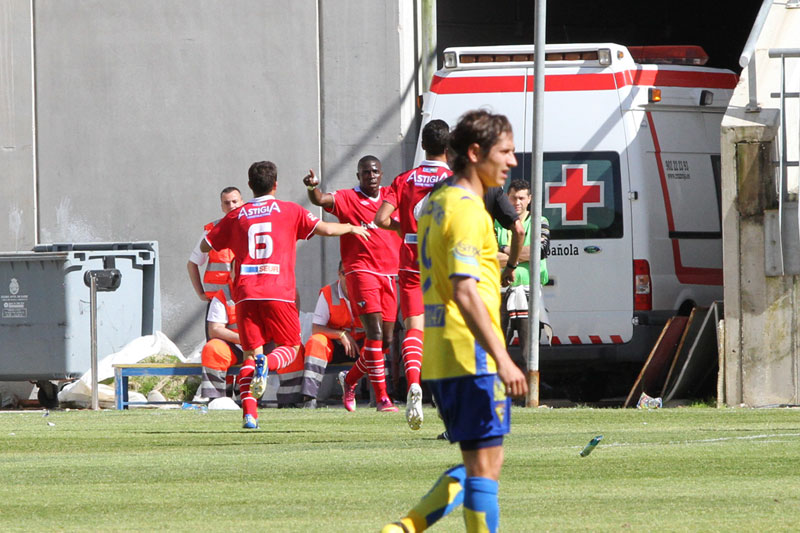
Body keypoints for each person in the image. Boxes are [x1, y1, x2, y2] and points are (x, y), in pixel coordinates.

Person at [382, 110, 527, 533]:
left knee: (478, 464)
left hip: (441, 354)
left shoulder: (434, 205)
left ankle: (404, 528)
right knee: (487, 471)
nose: (512, 162)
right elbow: (464, 288)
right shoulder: (466, 209)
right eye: (505, 151)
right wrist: (502, 357)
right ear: (476, 152)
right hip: (472, 352)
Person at [202, 161, 369, 429]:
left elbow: (205, 246)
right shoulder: (290, 210)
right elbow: (325, 229)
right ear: (275, 184)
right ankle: (265, 363)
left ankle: (250, 415)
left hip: (245, 293)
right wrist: (351, 228)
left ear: (249, 186)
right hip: (278, 292)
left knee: (249, 354)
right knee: (290, 348)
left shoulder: (236, 216)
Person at [303, 156, 402, 412]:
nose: (371, 176)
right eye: (365, 172)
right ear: (358, 176)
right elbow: (321, 200)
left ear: (381, 174)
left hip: (390, 274)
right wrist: (313, 188)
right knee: (375, 334)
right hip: (361, 271)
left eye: (375, 172)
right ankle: (382, 398)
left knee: (387, 341)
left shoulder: (392, 198)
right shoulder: (348, 198)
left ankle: (350, 379)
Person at [374, 119, 451, 430]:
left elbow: (381, 218)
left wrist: (403, 227)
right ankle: (449, 404)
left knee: (414, 327)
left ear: (423, 146)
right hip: (443, 261)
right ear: (448, 148)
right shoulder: (454, 179)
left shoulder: (405, 178)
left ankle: (414, 383)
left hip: (409, 258)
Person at [279, 261, 364, 408]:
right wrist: (341, 334)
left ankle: (382, 397)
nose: (349, 279)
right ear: (339, 274)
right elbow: (316, 328)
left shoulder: (367, 291)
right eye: (345, 274)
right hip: (336, 345)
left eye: (354, 275)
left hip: (361, 344)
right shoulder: (328, 292)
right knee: (316, 341)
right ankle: (309, 398)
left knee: (377, 344)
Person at [495, 179, 551, 374]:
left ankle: (529, 398)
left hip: (529, 293)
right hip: (500, 293)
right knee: (496, 349)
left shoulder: (540, 222)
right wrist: (523, 254)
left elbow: (540, 251)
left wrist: (507, 251)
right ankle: (497, 397)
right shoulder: (496, 223)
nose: (517, 202)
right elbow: (489, 255)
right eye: (512, 198)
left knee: (530, 352)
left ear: (529, 199)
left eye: (521, 198)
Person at [187, 187, 243, 305]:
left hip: (243, 300)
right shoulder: (212, 230)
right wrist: (201, 294)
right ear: (222, 207)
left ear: (242, 202)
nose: (231, 206)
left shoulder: (251, 228)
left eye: (235, 201)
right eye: (227, 203)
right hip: (218, 300)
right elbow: (192, 264)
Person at [198, 289, 242, 400]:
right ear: (231, 273)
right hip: (233, 346)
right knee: (213, 349)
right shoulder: (223, 295)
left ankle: (288, 402)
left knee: (289, 346)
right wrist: (243, 339)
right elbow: (215, 330)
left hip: (261, 346)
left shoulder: (265, 292)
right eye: (237, 270)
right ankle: (217, 400)